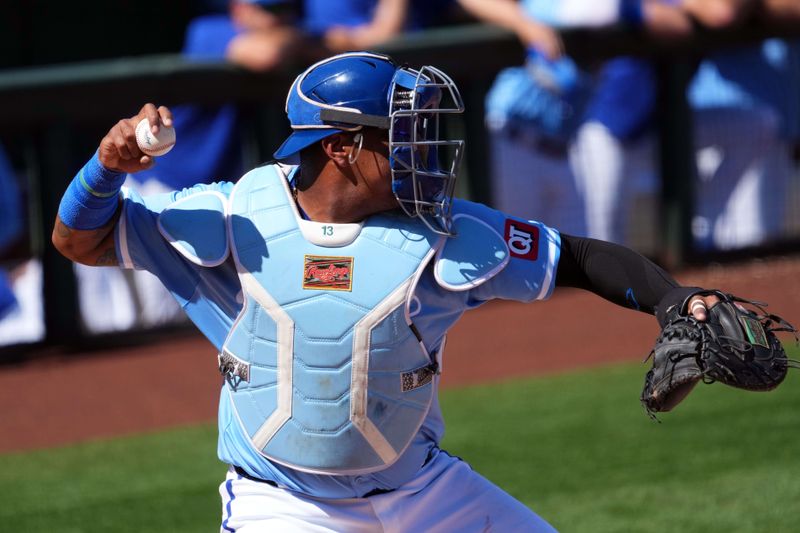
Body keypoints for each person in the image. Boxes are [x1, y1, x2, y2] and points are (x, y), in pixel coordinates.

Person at [53, 51, 721, 531]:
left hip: (425, 493)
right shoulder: (235, 223)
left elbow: (574, 256)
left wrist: (678, 301)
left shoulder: (445, 232)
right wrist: (106, 169)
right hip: (283, 507)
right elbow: (78, 241)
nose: (423, 149)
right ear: (343, 146)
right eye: (402, 132)